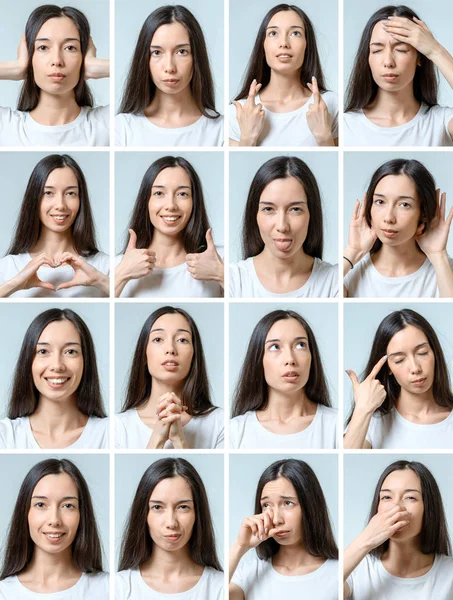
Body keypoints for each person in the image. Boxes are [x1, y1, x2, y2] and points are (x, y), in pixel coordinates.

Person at [0, 154, 110, 298]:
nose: (60, 205)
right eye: (48, 193)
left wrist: (99, 280)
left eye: (70, 193)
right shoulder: (7, 268)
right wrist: (13, 285)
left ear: (81, 200)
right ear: (34, 198)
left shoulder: (104, 266)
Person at [115, 306, 224, 449]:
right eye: (158, 339)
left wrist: (179, 440)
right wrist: (158, 438)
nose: (170, 349)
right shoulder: (118, 427)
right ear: (144, 354)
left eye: (182, 340)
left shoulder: (220, 423)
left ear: (194, 355)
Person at [229, 4, 338, 146]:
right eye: (273, 33)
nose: (284, 43)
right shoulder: (240, 112)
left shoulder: (331, 105)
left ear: (307, 44)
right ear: (263, 44)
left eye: (295, 33)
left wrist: (324, 137)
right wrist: (247, 138)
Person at [0, 5, 109, 146]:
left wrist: (96, 66)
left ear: (83, 55)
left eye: (70, 48)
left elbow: (140, 72)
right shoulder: (6, 127)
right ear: (30, 55)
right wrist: (18, 67)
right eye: (43, 47)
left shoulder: (105, 125)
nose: (57, 60)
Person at [115, 155, 223, 298]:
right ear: (146, 200)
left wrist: (220, 274)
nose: (171, 205)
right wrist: (122, 274)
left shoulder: (219, 261)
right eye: (159, 193)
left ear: (194, 202)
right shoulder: (119, 265)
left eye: (182, 194)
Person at [344, 5, 453, 146]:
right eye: (377, 50)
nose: (388, 62)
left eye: (401, 50)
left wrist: (435, 50)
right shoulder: (346, 125)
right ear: (367, 58)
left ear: (420, 57)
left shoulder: (442, 122)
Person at [229, 156, 338, 298]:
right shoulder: (233, 280)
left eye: (295, 209)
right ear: (254, 214)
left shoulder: (333, 281)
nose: (282, 226)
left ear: (311, 214)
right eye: (268, 209)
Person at [0, 308, 109, 449]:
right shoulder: (5, 436)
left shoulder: (110, 434)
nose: (57, 366)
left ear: (86, 361)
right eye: (43, 351)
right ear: (28, 360)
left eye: (70, 352)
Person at [343, 158, 453, 297]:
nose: (388, 218)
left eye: (404, 204)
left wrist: (438, 255)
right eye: (380, 201)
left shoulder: (444, 270)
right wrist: (353, 251)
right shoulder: (349, 271)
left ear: (423, 213)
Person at [345, 309, 453, 449]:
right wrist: (362, 409)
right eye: (399, 360)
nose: (415, 368)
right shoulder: (372, 422)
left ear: (435, 353)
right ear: (388, 367)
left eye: (422, 353)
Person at [230, 458, 338, 599]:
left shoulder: (338, 573)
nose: (276, 519)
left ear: (310, 505)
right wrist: (239, 546)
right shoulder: (248, 574)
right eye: (266, 505)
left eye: (287, 503)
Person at [0, 458, 108, 599]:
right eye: (40, 504)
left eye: (68, 506)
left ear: (82, 514)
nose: (54, 520)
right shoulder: (4, 592)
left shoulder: (108, 588)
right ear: (25, 512)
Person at [116, 457, 223, 599]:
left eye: (183, 507)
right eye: (157, 507)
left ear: (197, 513)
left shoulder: (219, 587)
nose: (171, 522)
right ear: (143, 514)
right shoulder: (119, 587)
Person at [116, 5, 223, 146]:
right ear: (144, 60)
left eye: (182, 52)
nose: (169, 67)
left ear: (197, 57)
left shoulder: (220, 129)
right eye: (156, 52)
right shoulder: (122, 128)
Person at [344, 460, 453, 599]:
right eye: (386, 497)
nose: (396, 507)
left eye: (410, 497)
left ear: (429, 508)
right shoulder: (356, 570)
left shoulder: (449, 574)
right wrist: (366, 540)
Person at [230, 309, 337, 449]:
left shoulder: (335, 425)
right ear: (258, 359)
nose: (290, 359)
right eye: (275, 347)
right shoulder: (235, 431)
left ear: (312, 356)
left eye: (300, 345)